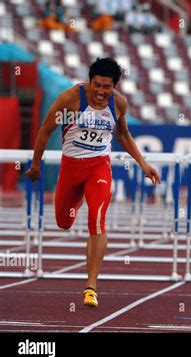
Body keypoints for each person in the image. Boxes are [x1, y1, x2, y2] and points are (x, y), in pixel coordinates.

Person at [25, 58, 160, 308]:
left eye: (106, 87)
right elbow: (45, 130)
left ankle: (91, 287)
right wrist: (36, 165)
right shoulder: (71, 98)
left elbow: (122, 134)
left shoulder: (119, 103)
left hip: (99, 166)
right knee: (63, 222)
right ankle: (75, 202)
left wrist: (143, 163)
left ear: (114, 87)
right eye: (96, 85)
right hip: (71, 168)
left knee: (97, 220)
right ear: (90, 81)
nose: (100, 92)